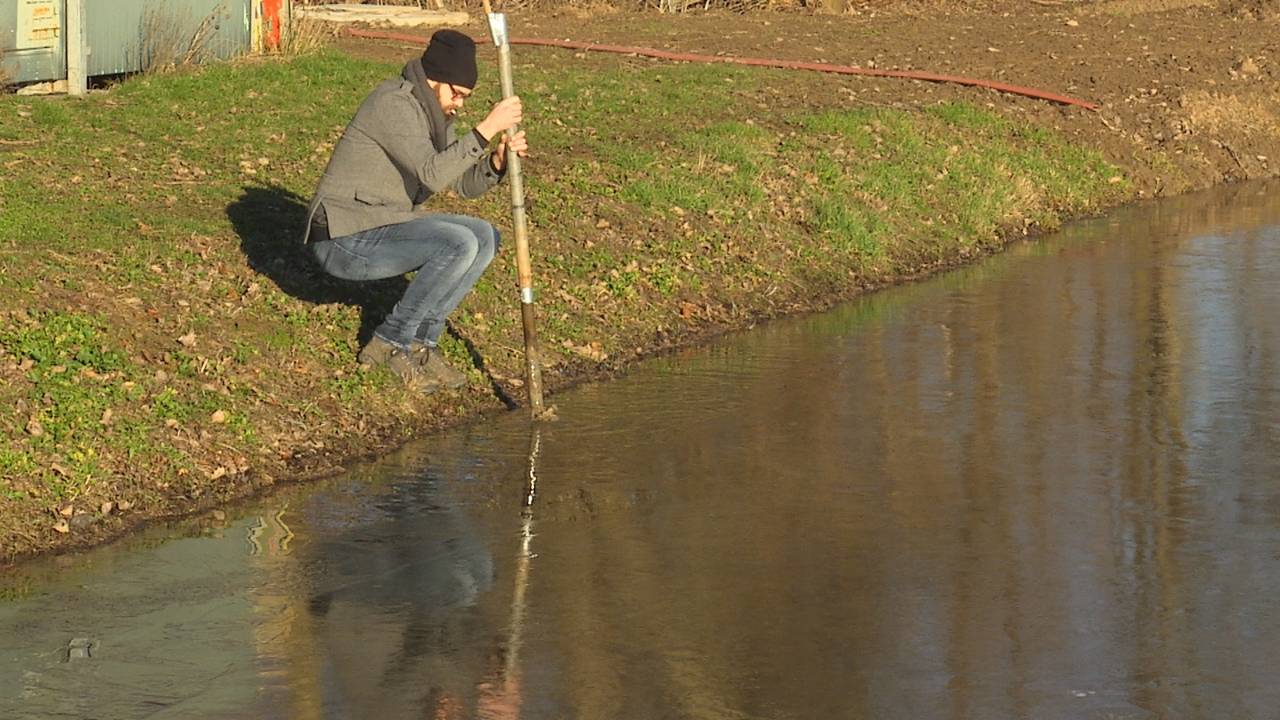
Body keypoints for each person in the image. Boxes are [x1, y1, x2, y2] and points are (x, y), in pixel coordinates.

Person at [302, 29, 528, 392]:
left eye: (465, 97)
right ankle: (390, 342)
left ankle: (422, 343)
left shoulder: (434, 115)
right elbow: (431, 173)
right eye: (457, 94)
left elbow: (463, 184)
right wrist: (485, 130)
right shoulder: (393, 103)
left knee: (485, 237)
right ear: (434, 80)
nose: (459, 104)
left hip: (384, 223)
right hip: (342, 239)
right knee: (457, 243)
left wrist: (495, 164)